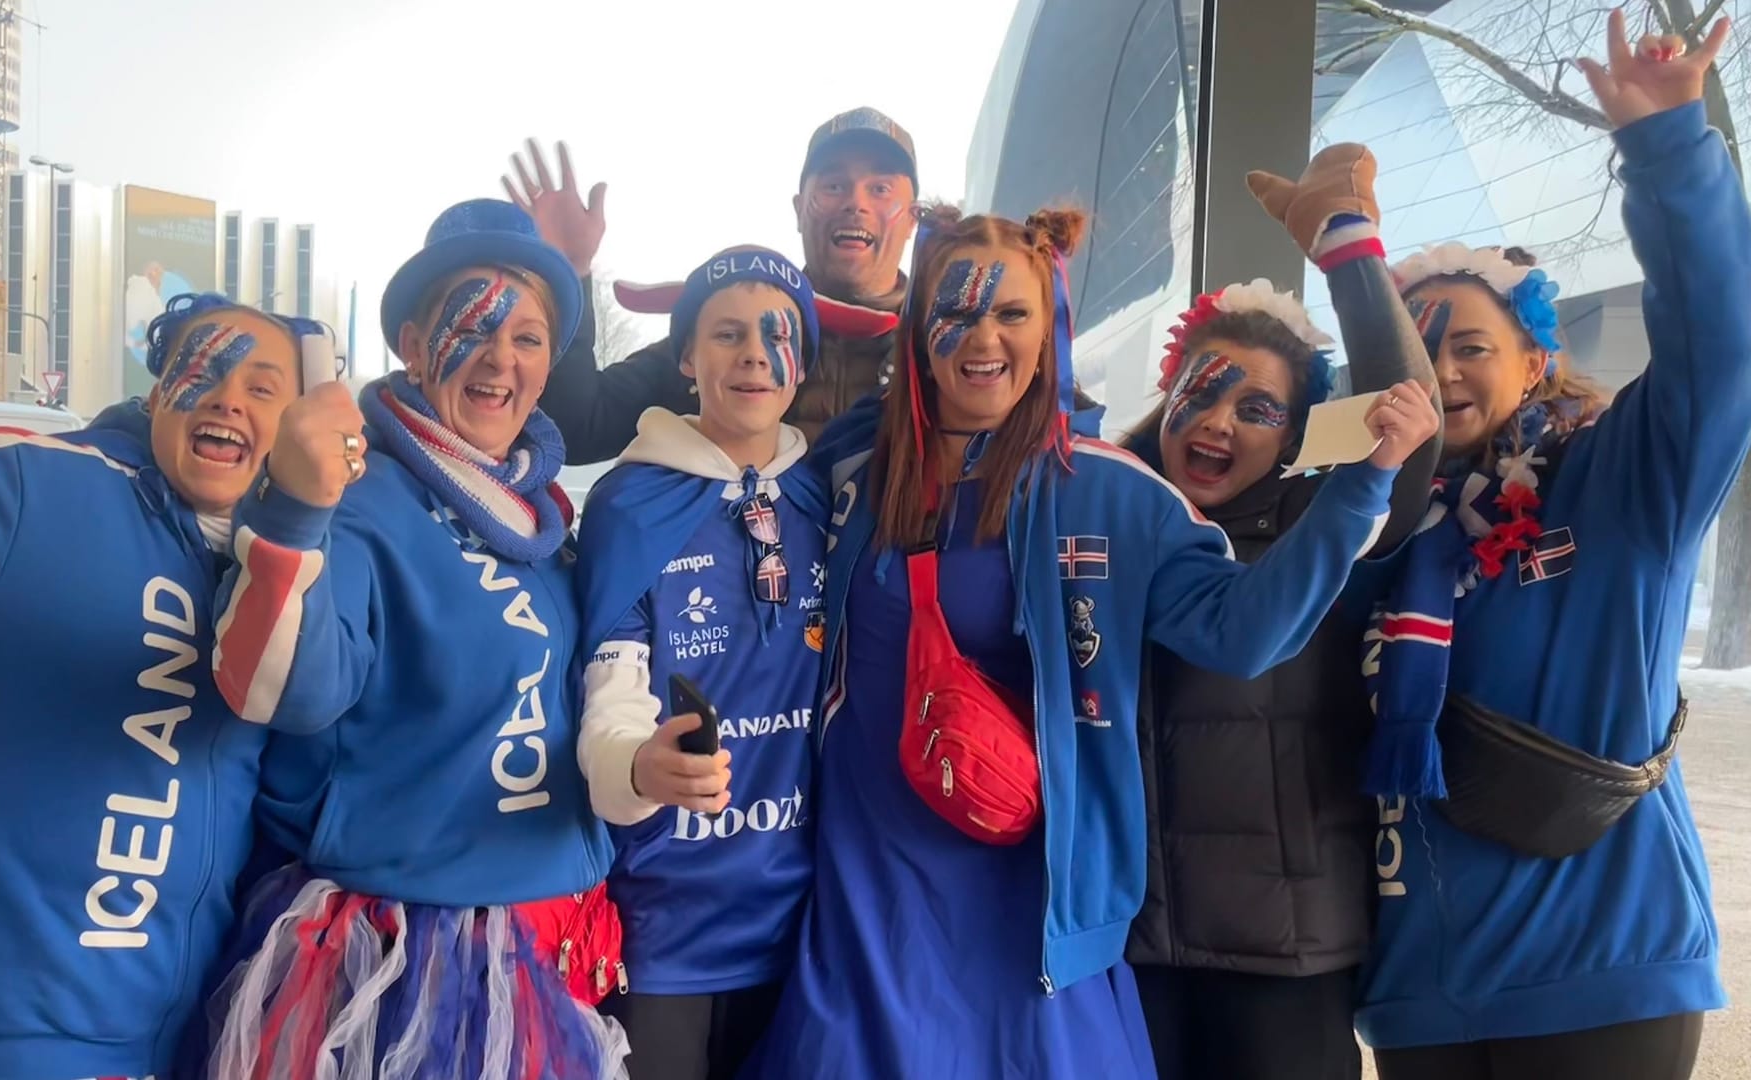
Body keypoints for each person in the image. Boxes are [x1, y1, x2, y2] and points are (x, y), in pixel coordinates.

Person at [742, 200, 1439, 1079]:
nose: (981, 335)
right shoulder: (845, 470)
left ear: (1048, 329)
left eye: (1011, 312)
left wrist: (1362, 487)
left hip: (1034, 898)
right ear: (918, 329)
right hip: (866, 884)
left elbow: (1243, 633)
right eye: (954, 310)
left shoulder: (1109, 489)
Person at [1357, 14, 1743, 1079]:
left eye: (1471, 346)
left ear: (1535, 363)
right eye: (1414, 347)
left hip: (1601, 968)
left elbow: (1721, 345)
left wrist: (1670, 147)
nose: (1439, 373)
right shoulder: (1357, 530)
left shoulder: (1621, 488)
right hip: (1422, 991)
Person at [0, 295, 323, 1080]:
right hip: (5, 1040)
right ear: (159, 393)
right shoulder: (33, 499)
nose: (230, 397)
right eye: (205, 370)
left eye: (264, 388)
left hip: (189, 1037)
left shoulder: (286, 567)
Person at [203, 199, 628, 1079]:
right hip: (396, 963)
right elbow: (277, 690)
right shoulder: (357, 499)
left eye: (529, 338)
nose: (500, 359)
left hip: (544, 944)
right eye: (470, 327)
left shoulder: (549, 521)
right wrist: (294, 511)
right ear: (408, 339)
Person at [1119, 146, 1438, 1080]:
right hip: (1135, 946)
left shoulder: (1318, 526)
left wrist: (1349, 250)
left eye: (1256, 407)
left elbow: (1399, 439)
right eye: (1202, 390)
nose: (1217, 421)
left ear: (1296, 439)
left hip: (1285, 949)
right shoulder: (1107, 514)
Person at [573, 245, 897, 1080]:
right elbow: (609, 689)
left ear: (804, 361)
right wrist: (635, 767)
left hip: (805, 923)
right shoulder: (628, 503)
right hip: (664, 924)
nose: (754, 352)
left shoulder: (832, 492)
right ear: (685, 358)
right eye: (725, 333)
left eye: (777, 332)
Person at [509, 108, 923, 462]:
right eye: (833, 186)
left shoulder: (941, 349)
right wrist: (566, 273)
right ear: (799, 210)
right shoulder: (725, 329)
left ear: (912, 219)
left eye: (881, 189)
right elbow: (577, 429)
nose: (856, 202)